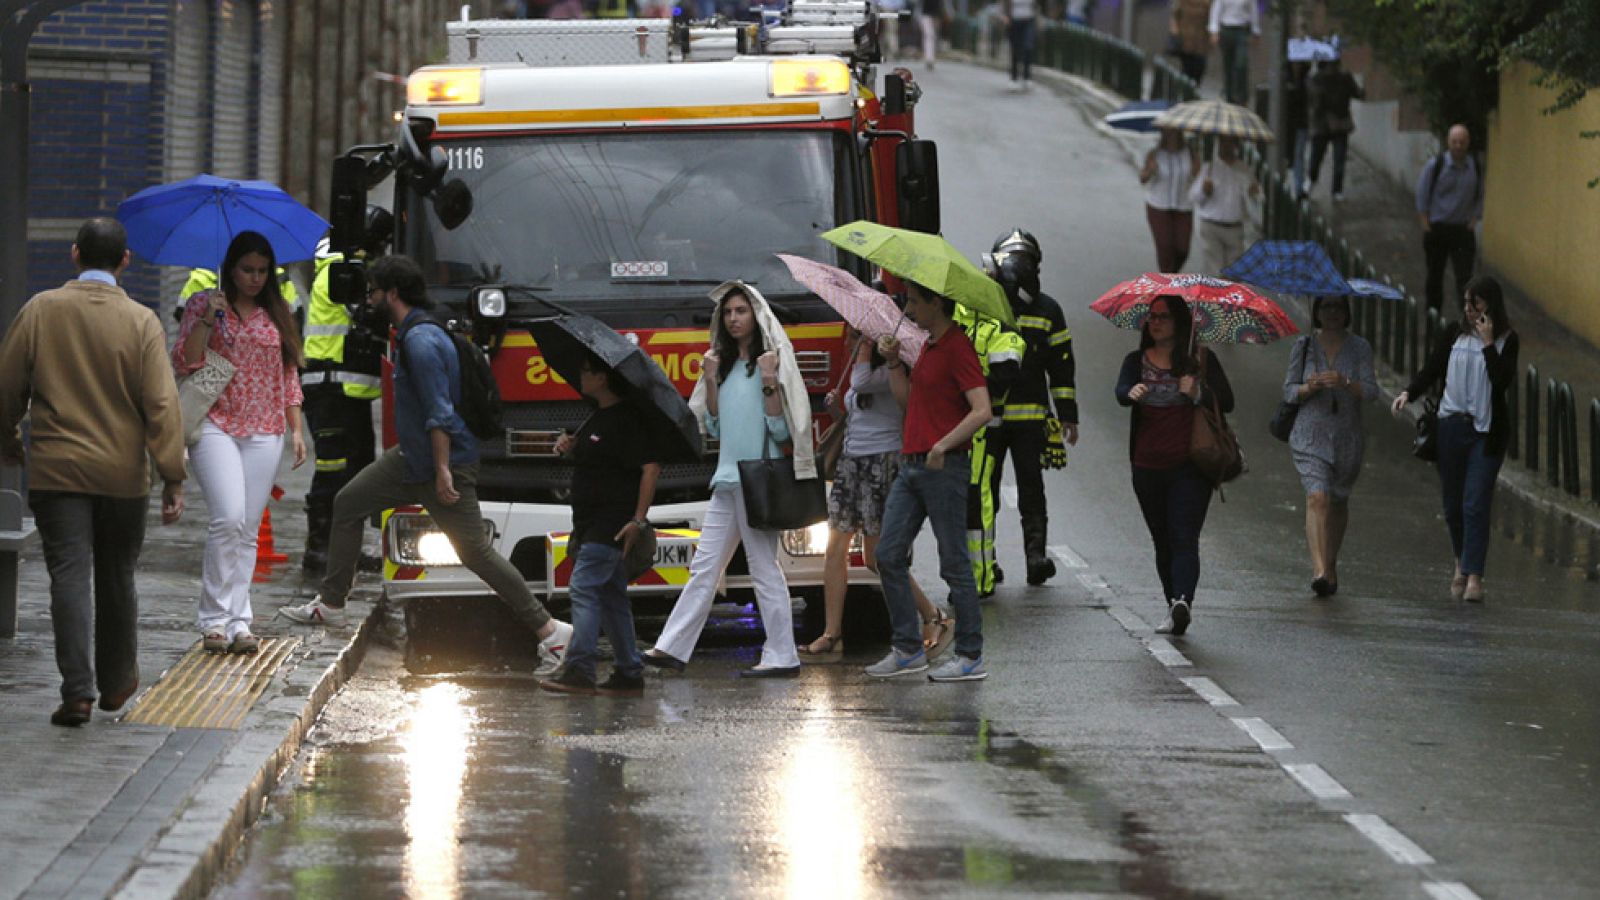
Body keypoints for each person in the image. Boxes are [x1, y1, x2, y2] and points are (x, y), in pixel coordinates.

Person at [280, 256, 575, 672]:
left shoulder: (420, 342)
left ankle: (550, 633)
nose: (368, 300)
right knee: (347, 504)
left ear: (392, 294)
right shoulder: (418, 331)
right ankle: (331, 603)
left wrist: (441, 471)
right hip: (412, 460)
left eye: (373, 293)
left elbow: (441, 413)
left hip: (439, 462)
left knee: (474, 551)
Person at [0, 218, 186, 727]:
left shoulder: (40, 311)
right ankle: (118, 679)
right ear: (125, 262)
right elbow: (162, 406)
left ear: (75, 255)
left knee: (69, 576)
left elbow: (7, 386)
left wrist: (10, 441)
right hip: (123, 477)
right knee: (117, 573)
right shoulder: (142, 322)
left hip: (57, 472)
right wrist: (172, 475)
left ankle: (77, 691)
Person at [643, 281, 816, 678]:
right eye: (728, 312)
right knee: (705, 567)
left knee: (763, 568)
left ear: (757, 316)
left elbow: (782, 432)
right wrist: (709, 379)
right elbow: (716, 427)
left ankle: (782, 654)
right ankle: (671, 648)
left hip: (759, 480)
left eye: (741, 311)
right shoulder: (724, 365)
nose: (734, 318)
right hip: (727, 479)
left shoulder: (770, 363)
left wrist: (770, 378)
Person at [174, 231, 308, 656]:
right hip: (216, 423)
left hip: (266, 428)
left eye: (262, 271)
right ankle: (213, 619)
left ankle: (239, 620)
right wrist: (208, 319)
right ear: (231, 267)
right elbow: (185, 360)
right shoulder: (204, 304)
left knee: (248, 529)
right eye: (247, 269)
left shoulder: (277, 310)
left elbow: (287, 375)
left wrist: (297, 429)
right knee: (227, 519)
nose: (254, 278)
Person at [866, 281, 993, 682]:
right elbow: (908, 403)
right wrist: (892, 363)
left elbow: (982, 409)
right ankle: (907, 649)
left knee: (954, 562)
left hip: (944, 466)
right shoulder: (926, 348)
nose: (909, 309)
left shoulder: (957, 347)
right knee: (887, 554)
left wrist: (943, 444)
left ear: (936, 303)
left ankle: (970, 656)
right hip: (912, 464)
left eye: (915, 302)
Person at [801, 331, 951, 659]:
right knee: (834, 547)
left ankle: (935, 617)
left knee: (876, 557)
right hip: (851, 464)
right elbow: (862, 415)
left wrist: (866, 350)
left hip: (881, 464)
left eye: (859, 334)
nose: (853, 339)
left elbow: (866, 384)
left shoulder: (892, 371)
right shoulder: (865, 375)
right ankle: (831, 633)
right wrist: (838, 411)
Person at [1391, 276, 1518, 603]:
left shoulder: (1507, 340)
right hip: (1450, 426)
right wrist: (1409, 392)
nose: (1469, 310)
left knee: (1475, 502)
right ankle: (1461, 561)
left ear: (1490, 304)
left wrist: (1489, 343)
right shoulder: (1454, 334)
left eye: (1475, 303)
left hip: (1486, 433)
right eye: (1466, 303)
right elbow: (1433, 367)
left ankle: (1474, 576)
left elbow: (1502, 381)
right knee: (1452, 504)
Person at [541, 352, 661, 696]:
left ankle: (580, 668)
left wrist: (638, 520)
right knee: (611, 597)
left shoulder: (628, 420)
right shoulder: (597, 417)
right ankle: (629, 672)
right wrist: (569, 446)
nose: (581, 377)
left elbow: (650, 468)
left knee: (583, 588)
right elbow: (595, 457)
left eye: (586, 372)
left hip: (612, 522)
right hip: (590, 520)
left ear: (603, 378)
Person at [1114, 296, 1233, 635]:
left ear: (1180, 323)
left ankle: (1183, 600)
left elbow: (1227, 401)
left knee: (1184, 535)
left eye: (1164, 317)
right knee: (1162, 538)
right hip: (1147, 465)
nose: (1156, 322)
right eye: (1152, 317)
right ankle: (1173, 605)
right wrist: (1131, 392)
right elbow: (1120, 390)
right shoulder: (1135, 361)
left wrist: (1197, 391)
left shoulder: (1199, 360)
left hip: (1190, 466)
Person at [299, 208, 392, 575]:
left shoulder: (344, 264)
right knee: (333, 470)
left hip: (345, 389)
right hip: (330, 387)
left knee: (357, 471)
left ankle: (345, 549)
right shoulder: (343, 270)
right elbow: (366, 314)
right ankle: (319, 548)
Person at [985, 229, 1078, 586]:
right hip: (987, 418)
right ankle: (986, 559)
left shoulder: (1048, 309)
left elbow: (1061, 365)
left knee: (1031, 489)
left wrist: (1067, 415)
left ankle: (1035, 556)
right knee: (985, 490)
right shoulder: (984, 305)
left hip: (1029, 420)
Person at [1281, 295, 1378, 597]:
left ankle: (1331, 564)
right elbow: (1288, 391)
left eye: (1338, 307)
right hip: (1310, 434)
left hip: (1347, 435)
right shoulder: (1304, 345)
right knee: (1317, 497)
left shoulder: (1360, 347)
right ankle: (1319, 569)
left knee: (1337, 501)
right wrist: (1309, 387)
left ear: (1347, 311)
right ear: (1317, 311)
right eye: (1326, 307)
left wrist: (1345, 382)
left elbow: (1372, 391)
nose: (1332, 313)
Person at [952, 302, 1023, 598]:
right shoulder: (950, 318)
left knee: (976, 500)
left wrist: (963, 389)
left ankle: (980, 578)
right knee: (955, 504)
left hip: (983, 428)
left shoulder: (1003, 328)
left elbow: (1004, 378)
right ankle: (966, 578)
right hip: (951, 426)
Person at [1415, 124, 1484, 315]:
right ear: (1448, 142)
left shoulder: (1474, 167)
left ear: (1468, 143)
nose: (1458, 146)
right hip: (1438, 228)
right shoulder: (1435, 166)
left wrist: (1475, 218)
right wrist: (1425, 222)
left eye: (1462, 142)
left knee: (1465, 279)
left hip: (1462, 230)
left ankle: (1467, 320)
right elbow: (1422, 193)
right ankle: (1433, 316)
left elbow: (1480, 194)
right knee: (1434, 276)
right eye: (1455, 142)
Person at [1190, 136, 1259, 273]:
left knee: (1233, 275)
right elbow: (1194, 197)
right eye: (1223, 142)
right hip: (1211, 227)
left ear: (1235, 145)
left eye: (1229, 142)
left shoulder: (1244, 170)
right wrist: (1204, 191)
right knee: (1216, 272)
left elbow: (1256, 200)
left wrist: (1253, 193)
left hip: (1234, 229)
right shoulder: (1209, 168)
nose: (1226, 146)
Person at [1141, 127, 1201, 273]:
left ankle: (1169, 278)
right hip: (1158, 206)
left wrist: (1197, 172)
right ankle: (1167, 287)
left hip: (1183, 206)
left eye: (1173, 131)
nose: (1170, 134)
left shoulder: (1190, 154)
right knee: (1165, 247)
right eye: (1166, 131)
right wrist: (1150, 170)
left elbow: (1198, 178)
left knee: (1183, 249)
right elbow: (1143, 178)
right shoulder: (1155, 154)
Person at [1305, 57, 1365, 202]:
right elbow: (1315, 104)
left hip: (1339, 124)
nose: (1332, 70)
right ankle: (1311, 181)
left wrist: (1359, 91)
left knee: (1339, 159)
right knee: (1316, 157)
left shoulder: (1344, 78)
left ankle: (1336, 190)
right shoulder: (1316, 80)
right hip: (1322, 125)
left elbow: (1357, 93)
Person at [1208, 0, 1258, 105]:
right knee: (1228, 64)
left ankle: (1242, 96)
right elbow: (1216, 10)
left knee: (1241, 64)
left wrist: (1255, 30)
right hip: (1226, 29)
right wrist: (1214, 31)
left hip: (1242, 30)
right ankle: (1229, 95)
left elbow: (1253, 10)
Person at [1168, 0, 1212, 85]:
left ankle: (1195, 86)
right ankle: (1185, 89)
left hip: (1201, 38)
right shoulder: (1182, 2)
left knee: (1199, 65)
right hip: (1185, 37)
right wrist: (1175, 31)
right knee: (1187, 66)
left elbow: (1213, 17)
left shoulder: (1208, 3)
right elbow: (1174, 15)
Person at [1285, 61, 1311, 199]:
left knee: (1298, 155)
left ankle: (1298, 188)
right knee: (1289, 156)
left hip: (1301, 124)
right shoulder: (1284, 77)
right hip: (1286, 124)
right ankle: (1289, 187)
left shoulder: (1307, 80)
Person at [1003, 0, 1038, 91]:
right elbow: (1005, 4)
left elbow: (1036, 5)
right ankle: (1014, 78)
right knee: (1015, 49)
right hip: (1014, 21)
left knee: (1028, 47)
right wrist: (1006, 16)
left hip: (1028, 21)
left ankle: (1027, 77)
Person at [917, 0, 944, 69]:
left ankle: (930, 57)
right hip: (925, 15)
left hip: (934, 16)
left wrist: (938, 17)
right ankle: (929, 58)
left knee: (932, 37)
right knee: (929, 36)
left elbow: (940, 5)